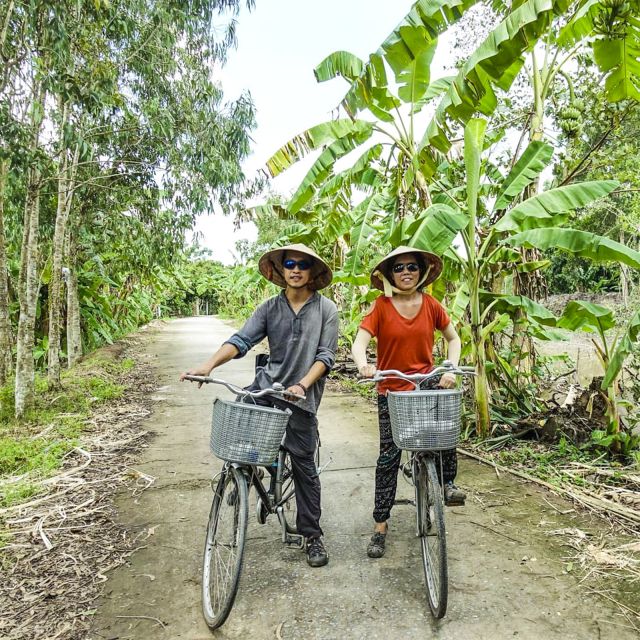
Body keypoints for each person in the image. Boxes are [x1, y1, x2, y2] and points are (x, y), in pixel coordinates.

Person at [182, 243, 338, 567]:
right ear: (281, 270)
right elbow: (241, 341)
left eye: (302, 264)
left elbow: (325, 357)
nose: (295, 269)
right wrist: (208, 365)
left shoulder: (326, 310)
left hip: (302, 398)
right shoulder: (269, 308)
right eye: (290, 263)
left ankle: (312, 535)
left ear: (312, 272)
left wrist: (302, 385)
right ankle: (249, 476)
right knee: (242, 434)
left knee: (304, 466)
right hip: (268, 389)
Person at [351, 246, 463, 559]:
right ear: (390, 274)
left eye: (411, 267)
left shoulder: (431, 304)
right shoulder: (381, 307)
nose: (405, 273)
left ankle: (449, 483)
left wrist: (450, 368)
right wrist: (364, 364)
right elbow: (359, 342)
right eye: (398, 268)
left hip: (425, 383)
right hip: (392, 388)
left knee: (443, 425)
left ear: (421, 271)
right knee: (388, 457)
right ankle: (380, 526)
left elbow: (453, 339)